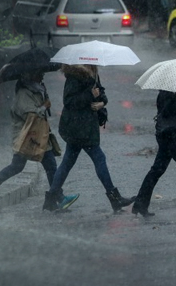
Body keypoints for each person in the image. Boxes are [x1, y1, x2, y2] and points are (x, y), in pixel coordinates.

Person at [42, 64, 134, 213]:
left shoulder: (92, 74)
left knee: (67, 163)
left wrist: (101, 102)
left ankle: (51, 200)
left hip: (85, 127)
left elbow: (100, 92)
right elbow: (69, 101)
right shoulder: (74, 77)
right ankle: (115, 199)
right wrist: (90, 95)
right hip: (78, 127)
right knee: (99, 158)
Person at [0, 70, 77, 207]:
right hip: (26, 136)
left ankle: (58, 197)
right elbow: (30, 115)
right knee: (18, 166)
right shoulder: (23, 94)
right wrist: (44, 106)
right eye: (39, 73)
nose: (42, 75)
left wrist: (44, 100)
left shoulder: (37, 91)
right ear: (29, 75)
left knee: (50, 165)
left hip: (37, 135)